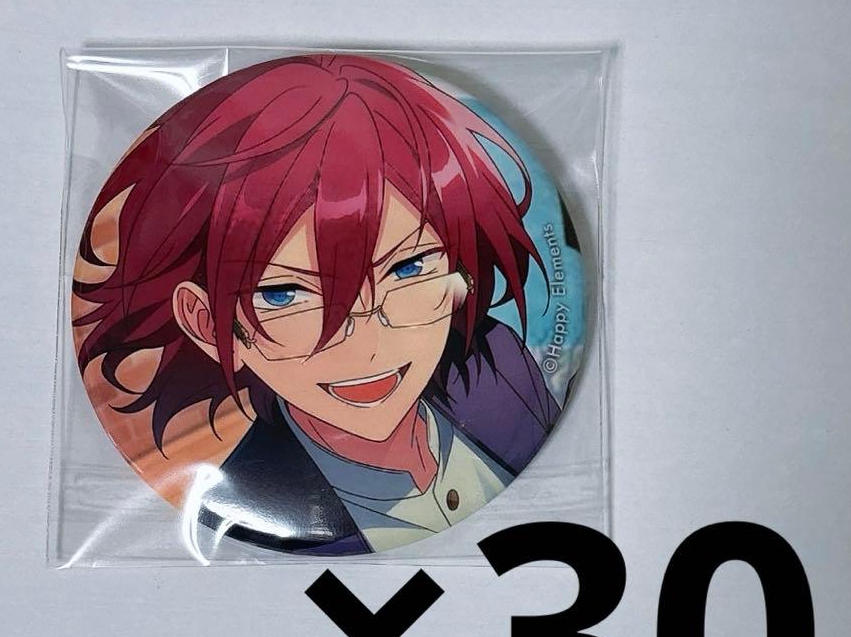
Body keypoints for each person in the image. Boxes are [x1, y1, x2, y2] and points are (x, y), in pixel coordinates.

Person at [74, 54, 560, 555]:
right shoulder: (251, 503)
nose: (368, 348)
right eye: (286, 295)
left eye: (408, 267)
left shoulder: (499, 366)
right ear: (205, 323)